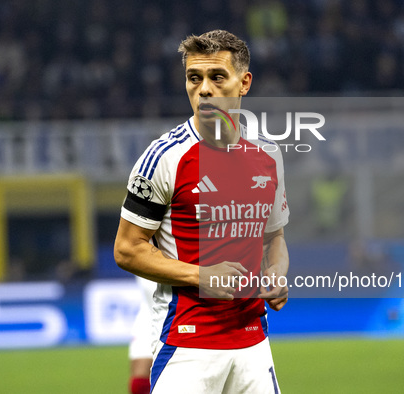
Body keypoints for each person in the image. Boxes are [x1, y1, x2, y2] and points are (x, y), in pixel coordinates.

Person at [114, 30, 290, 394]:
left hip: (253, 344)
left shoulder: (268, 156)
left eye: (216, 77)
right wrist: (201, 275)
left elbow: (274, 237)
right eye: (195, 79)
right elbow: (127, 249)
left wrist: (276, 273)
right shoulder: (164, 158)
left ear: (244, 83)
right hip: (188, 345)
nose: (204, 89)